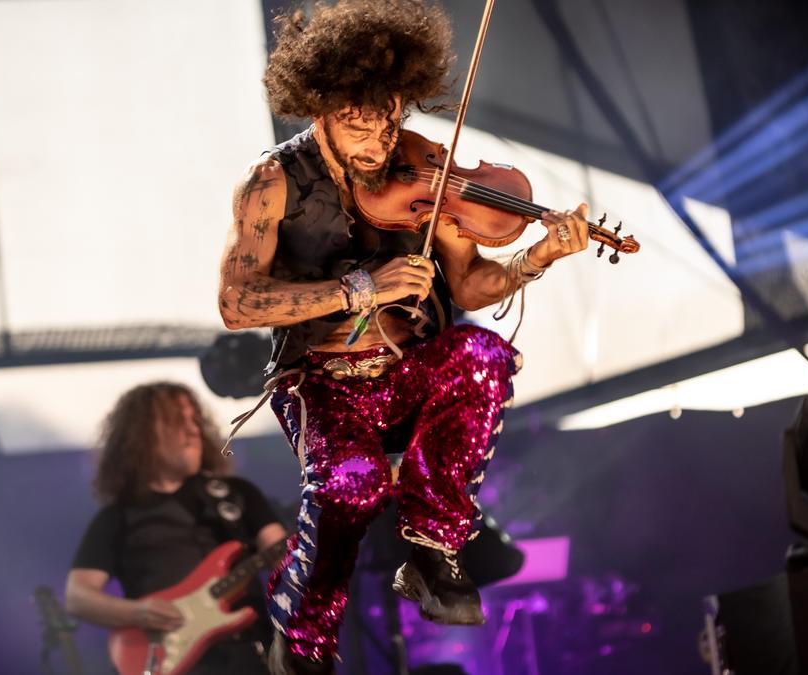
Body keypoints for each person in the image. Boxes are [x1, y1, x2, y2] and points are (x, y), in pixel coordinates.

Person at [217, 1, 591, 672]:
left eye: (389, 119)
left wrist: (538, 257)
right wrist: (365, 287)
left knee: (482, 353)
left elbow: (472, 285)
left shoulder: (422, 165)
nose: (377, 144)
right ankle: (301, 633)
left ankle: (432, 547)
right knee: (351, 486)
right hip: (321, 381)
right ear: (319, 108)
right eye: (358, 124)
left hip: (405, 372)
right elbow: (237, 302)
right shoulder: (271, 183)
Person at [65, 382, 288, 675]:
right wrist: (138, 613)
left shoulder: (236, 494)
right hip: (167, 659)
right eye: (176, 420)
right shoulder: (117, 516)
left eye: (194, 419)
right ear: (142, 434)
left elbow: (285, 555)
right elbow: (78, 597)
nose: (193, 429)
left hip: (250, 655)